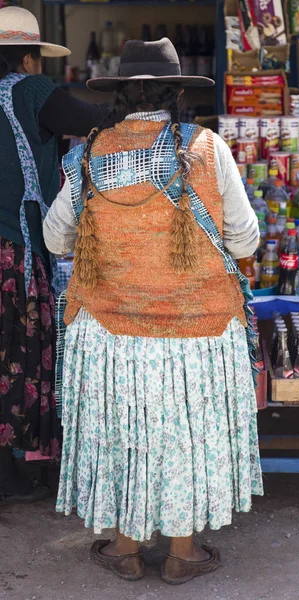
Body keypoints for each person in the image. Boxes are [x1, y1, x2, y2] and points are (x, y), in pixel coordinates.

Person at [44, 38, 263, 585]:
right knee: (185, 435)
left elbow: (54, 238)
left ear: (119, 92)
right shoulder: (206, 148)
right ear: (176, 93)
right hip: (199, 329)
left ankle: (124, 548)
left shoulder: (90, 152)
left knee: (122, 432)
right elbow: (244, 236)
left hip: (111, 330)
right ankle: (182, 553)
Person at [0, 6, 110, 502]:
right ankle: (7, 473)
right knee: (13, 361)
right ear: (27, 58)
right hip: (13, 251)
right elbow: (96, 122)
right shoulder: (29, 90)